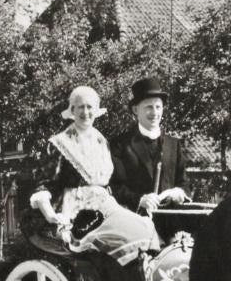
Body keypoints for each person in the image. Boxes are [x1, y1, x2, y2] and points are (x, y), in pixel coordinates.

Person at [28, 85, 159, 265]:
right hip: (75, 212)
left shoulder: (102, 142)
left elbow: (111, 183)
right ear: (72, 110)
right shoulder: (59, 143)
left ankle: (135, 274)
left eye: (90, 107)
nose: (85, 112)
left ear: (96, 111)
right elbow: (45, 184)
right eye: (80, 107)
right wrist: (51, 215)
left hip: (104, 205)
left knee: (142, 227)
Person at [109, 77, 189, 215]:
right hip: (134, 218)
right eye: (149, 107)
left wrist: (180, 192)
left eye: (158, 107)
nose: (155, 113)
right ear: (136, 110)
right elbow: (115, 186)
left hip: (170, 220)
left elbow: (184, 182)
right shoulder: (120, 144)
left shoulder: (173, 144)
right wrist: (139, 200)